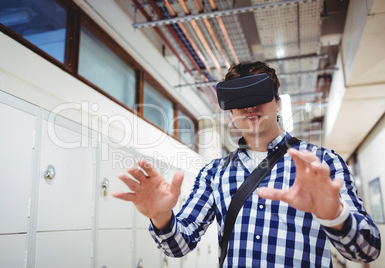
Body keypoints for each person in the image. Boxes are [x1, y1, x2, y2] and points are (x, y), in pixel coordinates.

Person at [112, 61, 381, 267]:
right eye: (239, 101)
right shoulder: (214, 173)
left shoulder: (322, 163)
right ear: (230, 112)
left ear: (278, 103)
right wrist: (161, 217)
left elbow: (368, 250)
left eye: (259, 96)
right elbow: (178, 246)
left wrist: (334, 215)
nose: (249, 107)